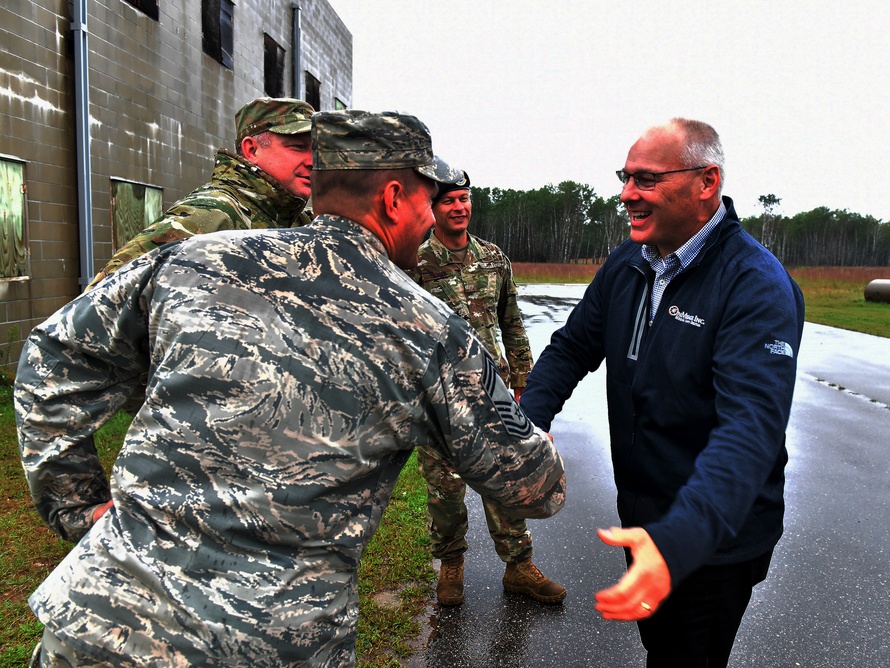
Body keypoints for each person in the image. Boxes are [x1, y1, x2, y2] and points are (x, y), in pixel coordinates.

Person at [16, 109, 566, 667]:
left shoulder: (194, 259)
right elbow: (534, 488)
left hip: (98, 627)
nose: (432, 217)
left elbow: (54, 352)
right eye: (429, 198)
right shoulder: (427, 330)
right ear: (395, 198)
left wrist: (76, 504)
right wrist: (539, 441)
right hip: (268, 647)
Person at [519, 118, 805, 667]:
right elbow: (573, 346)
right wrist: (526, 427)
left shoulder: (754, 284)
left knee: (688, 655)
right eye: (626, 178)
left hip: (714, 537)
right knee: (661, 646)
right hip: (645, 519)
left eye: (647, 180)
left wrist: (678, 540)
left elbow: (750, 431)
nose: (627, 194)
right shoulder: (629, 263)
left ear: (706, 182)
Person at [409, 173, 566, 605]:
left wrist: (523, 383)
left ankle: (519, 566)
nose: (459, 207)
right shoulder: (416, 262)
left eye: (465, 199)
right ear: (433, 209)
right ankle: (451, 566)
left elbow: (511, 320)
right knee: (445, 488)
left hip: (492, 393)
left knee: (507, 480)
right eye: (449, 202)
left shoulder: (494, 258)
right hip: (440, 396)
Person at [88, 96, 315, 286]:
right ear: (251, 149)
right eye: (298, 148)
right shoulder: (211, 215)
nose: (312, 161)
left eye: (316, 149)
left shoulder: (298, 220)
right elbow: (99, 299)